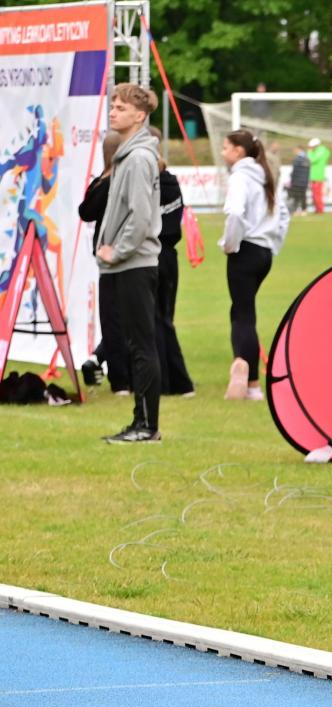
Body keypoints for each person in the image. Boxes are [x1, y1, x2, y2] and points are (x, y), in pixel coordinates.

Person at [96, 84, 163, 444]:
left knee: (141, 346)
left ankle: (147, 427)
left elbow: (140, 217)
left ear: (139, 116)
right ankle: (140, 422)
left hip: (135, 263)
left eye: (121, 108)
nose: (113, 112)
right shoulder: (128, 155)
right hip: (129, 264)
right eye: (113, 106)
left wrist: (117, 251)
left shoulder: (137, 159)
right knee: (135, 344)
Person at [220, 129, 290, 402]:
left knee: (243, 315)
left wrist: (230, 244)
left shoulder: (240, 177)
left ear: (238, 151)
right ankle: (247, 375)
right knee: (242, 310)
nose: (223, 153)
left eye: (226, 148)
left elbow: (236, 213)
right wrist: (274, 245)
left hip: (246, 250)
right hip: (264, 253)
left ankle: (250, 381)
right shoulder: (265, 175)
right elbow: (283, 215)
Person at [78, 132, 130, 395]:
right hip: (129, 253)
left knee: (113, 317)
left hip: (110, 254)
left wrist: (101, 179)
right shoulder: (124, 181)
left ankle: (118, 376)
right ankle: (118, 372)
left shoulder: (107, 183)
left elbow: (85, 211)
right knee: (125, 317)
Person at [149, 126, 194, 397]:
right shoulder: (172, 182)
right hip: (169, 256)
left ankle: (166, 381)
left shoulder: (148, 184)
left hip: (150, 254)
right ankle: (179, 382)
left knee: (153, 320)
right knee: (165, 319)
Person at [307, 137, 330, 214]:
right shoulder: (321, 151)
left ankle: (320, 210)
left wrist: (309, 152)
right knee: (315, 194)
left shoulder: (320, 151)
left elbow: (312, 159)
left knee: (317, 195)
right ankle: (318, 209)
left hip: (317, 176)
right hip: (316, 176)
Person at [287, 145, 310, 215]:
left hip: (297, 181)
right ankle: (304, 210)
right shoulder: (307, 158)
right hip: (304, 181)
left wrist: (292, 179)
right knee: (303, 196)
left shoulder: (297, 159)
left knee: (297, 196)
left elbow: (295, 171)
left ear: (299, 149)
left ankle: (297, 210)